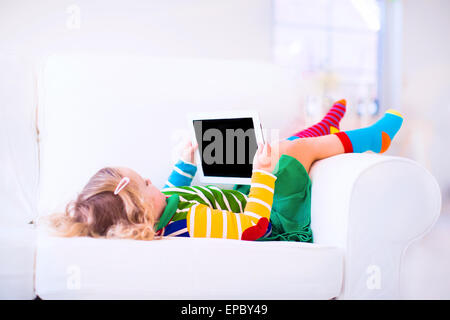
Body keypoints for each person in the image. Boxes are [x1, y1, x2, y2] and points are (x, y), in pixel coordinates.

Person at [41, 100, 403, 242]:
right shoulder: (191, 222)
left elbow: (173, 190)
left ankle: (326, 125)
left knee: (267, 148)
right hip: (277, 222)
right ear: (142, 213)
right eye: (145, 183)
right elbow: (253, 226)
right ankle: (373, 138)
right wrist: (261, 174)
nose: (154, 180)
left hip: (249, 200)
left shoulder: (163, 208)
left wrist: (185, 163)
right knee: (289, 156)